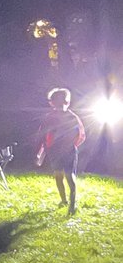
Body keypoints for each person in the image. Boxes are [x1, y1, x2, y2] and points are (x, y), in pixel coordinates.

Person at [37, 87, 86, 216]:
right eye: (57, 102)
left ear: (67, 102)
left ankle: (72, 204)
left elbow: (80, 134)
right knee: (58, 176)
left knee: (70, 176)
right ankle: (63, 200)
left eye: (63, 102)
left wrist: (72, 145)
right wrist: (41, 152)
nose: (60, 105)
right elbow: (43, 135)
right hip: (55, 151)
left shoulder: (72, 117)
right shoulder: (49, 118)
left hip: (69, 150)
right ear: (52, 103)